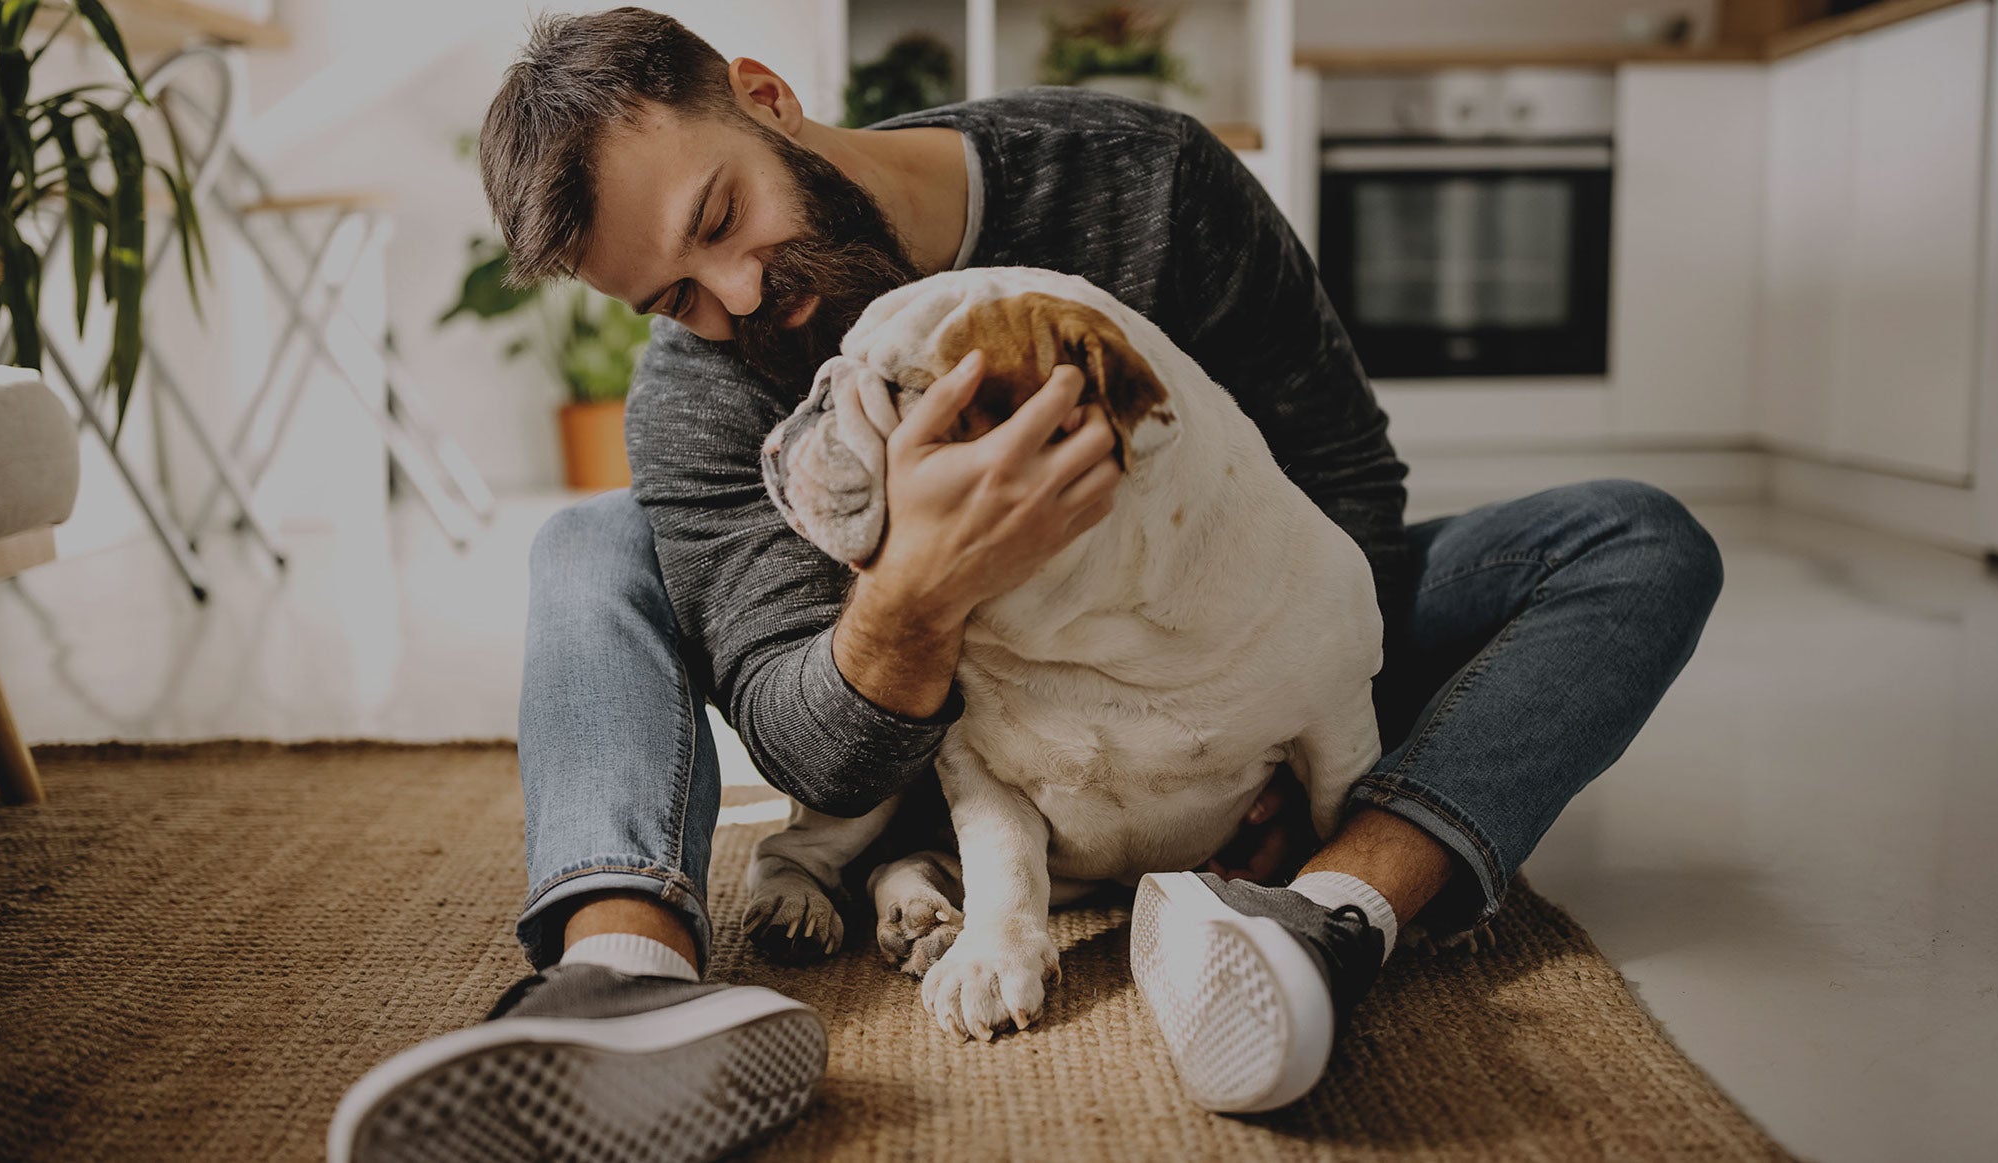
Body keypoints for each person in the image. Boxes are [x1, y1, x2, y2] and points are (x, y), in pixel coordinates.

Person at [328, 7, 1725, 1161]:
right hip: (951, 750)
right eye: (675, 295)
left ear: (765, 97)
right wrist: (922, 592)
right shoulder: (704, 400)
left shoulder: (1142, 180)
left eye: (723, 217)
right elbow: (801, 735)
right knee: (589, 541)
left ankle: (1333, 905)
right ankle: (620, 982)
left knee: (1634, 538)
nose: (740, 301)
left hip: (1255, 672)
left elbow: (1349, 487)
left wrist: (1233, 702)